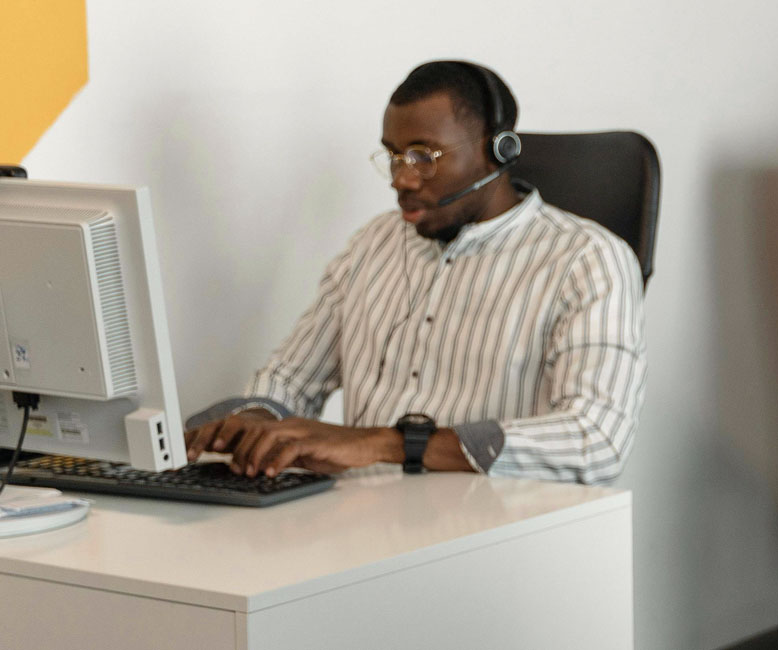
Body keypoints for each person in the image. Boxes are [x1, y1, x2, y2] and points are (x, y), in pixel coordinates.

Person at [182, 60, 646, 485]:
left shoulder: (587, 260)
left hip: (490, 536)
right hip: (354, 525)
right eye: (394, 156)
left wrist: (383, 444)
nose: (401, 179)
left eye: (425, 156)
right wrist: (260, 416)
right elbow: (290, 378)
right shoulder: (373, 243)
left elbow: (596, 441)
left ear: (497, 152)